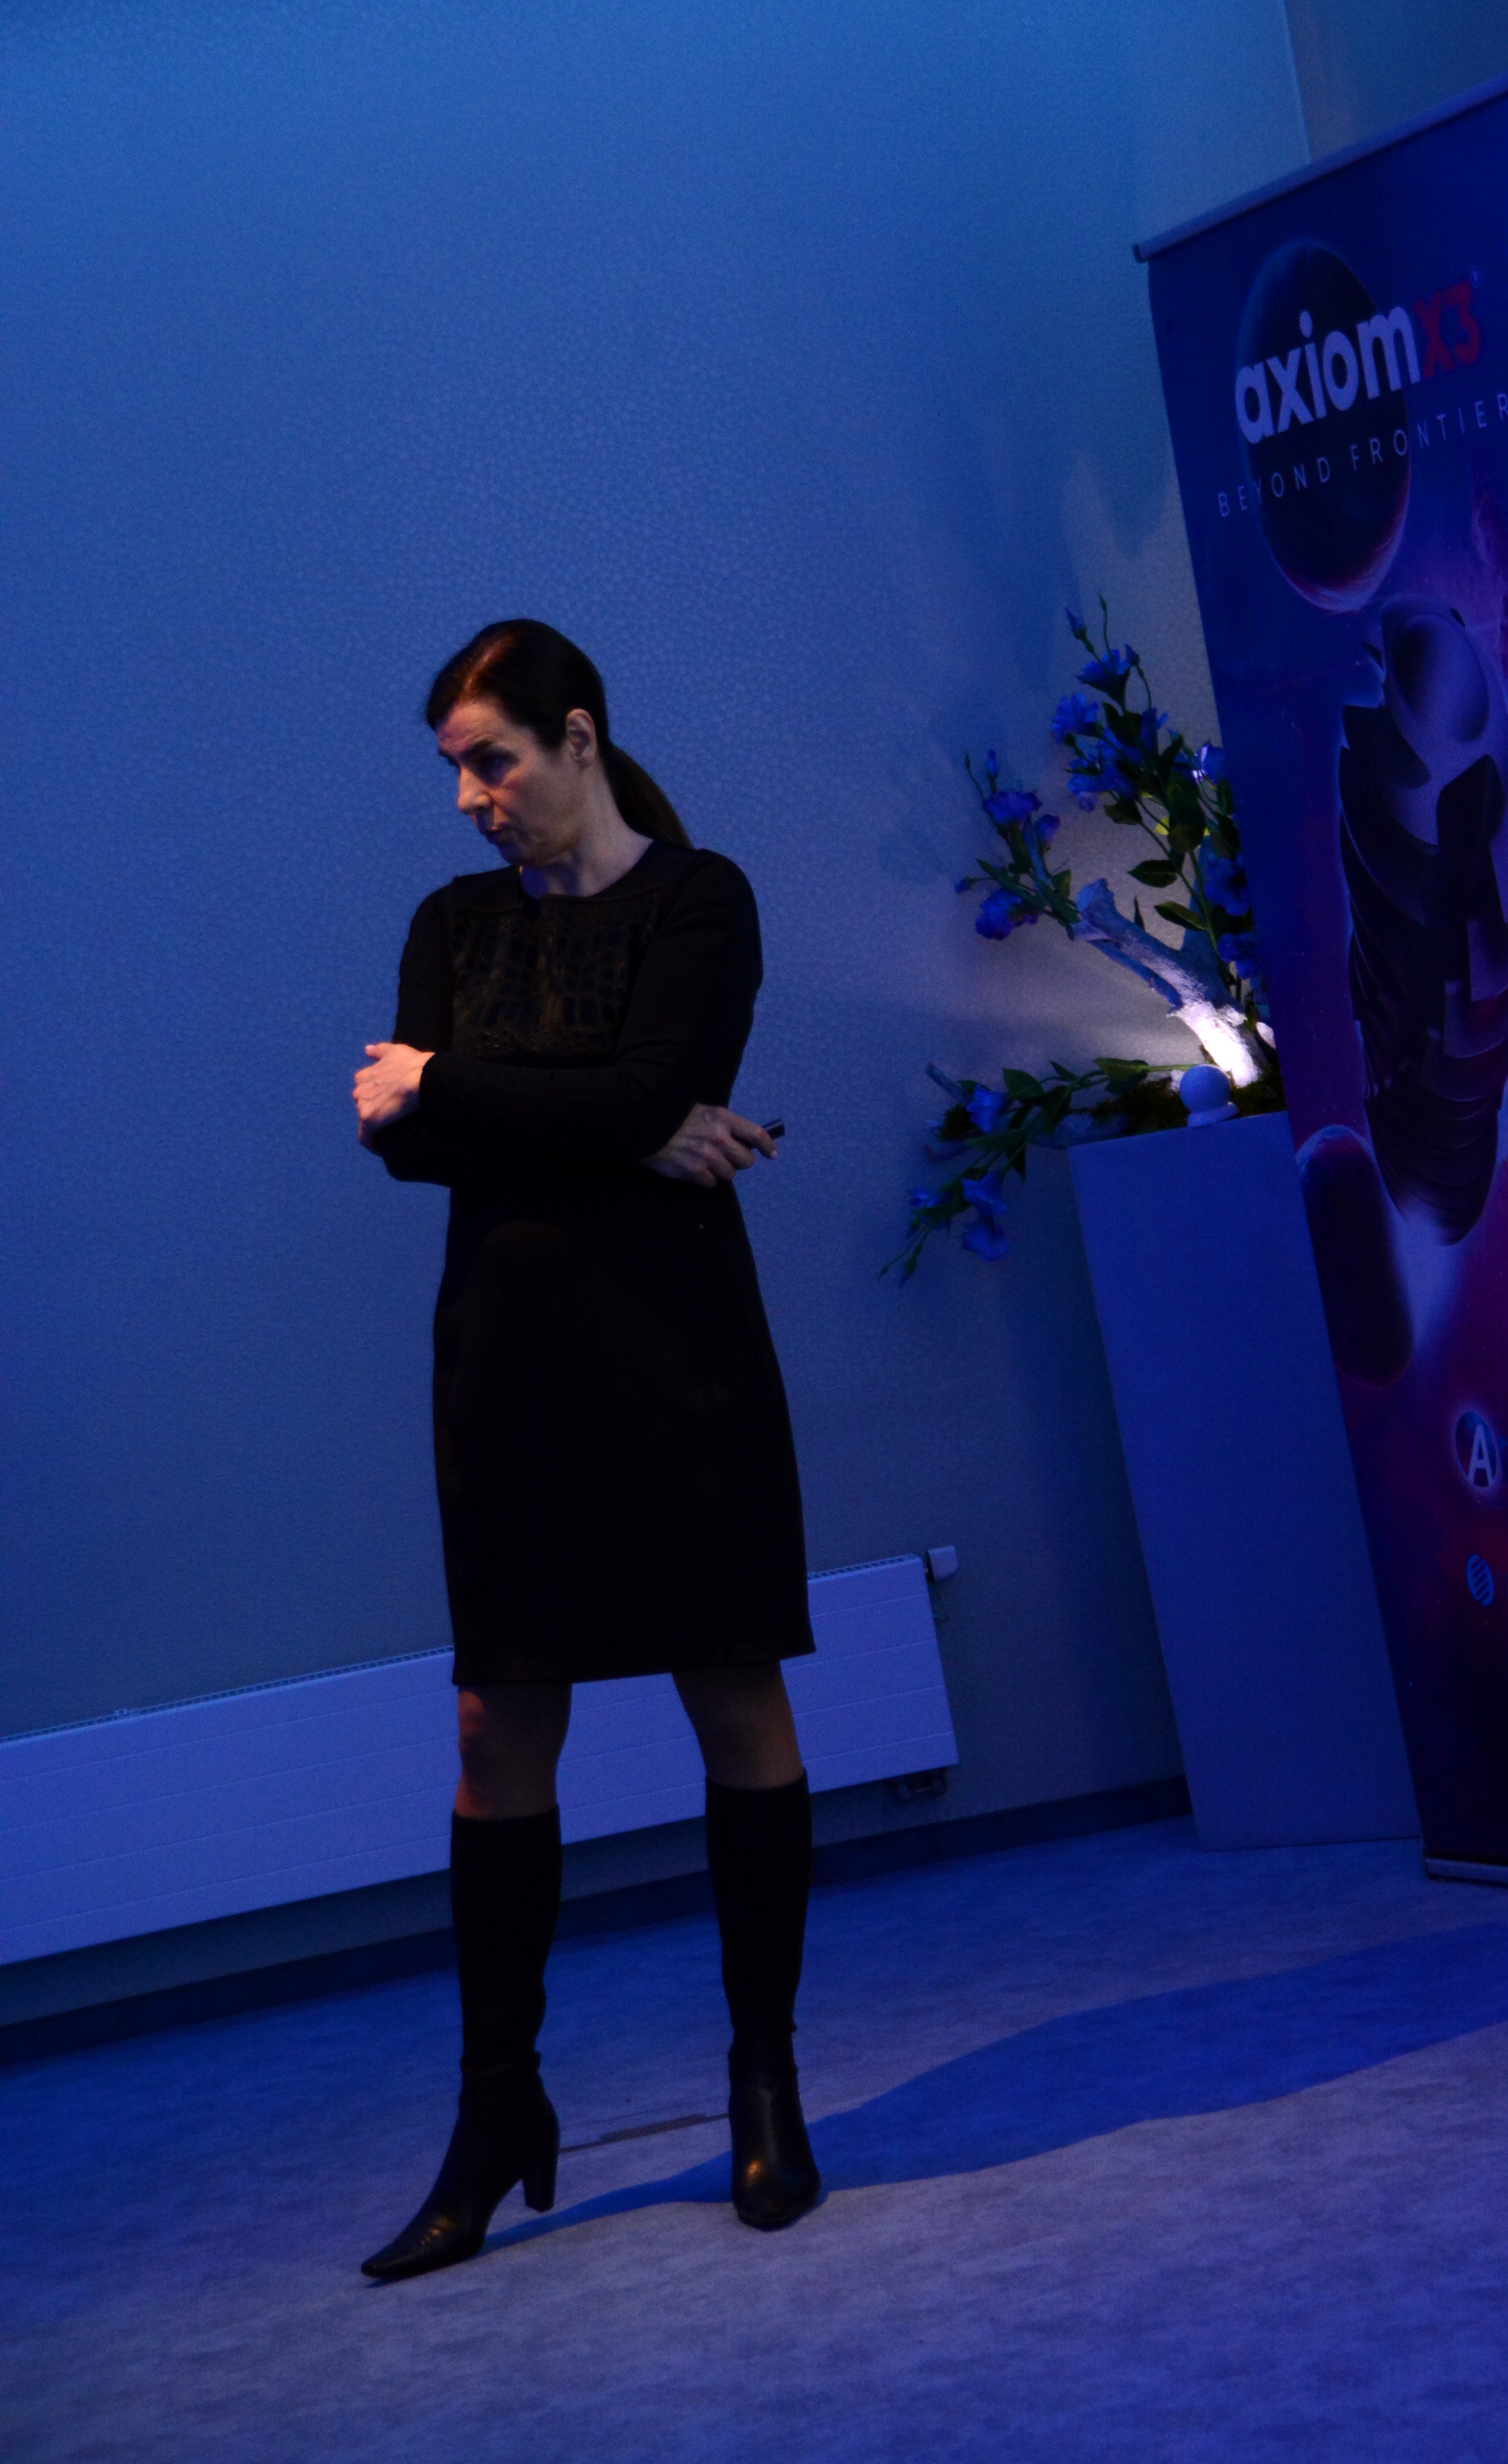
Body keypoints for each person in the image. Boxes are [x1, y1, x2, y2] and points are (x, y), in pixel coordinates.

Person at [352, 618, 819, 2282]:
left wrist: (456, 1084)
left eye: (493, 761)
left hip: (674, 1357)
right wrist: (623, 1123)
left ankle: (764, 2081)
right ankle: (498, 2113)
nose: (471, 798)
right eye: (455, 771)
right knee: (498, 1727)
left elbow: (616, 1090)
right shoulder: (452, 924)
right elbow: (411, 1152)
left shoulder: (701, 901)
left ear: (579, 737)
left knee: (735, 1695)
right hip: (510, 1365)